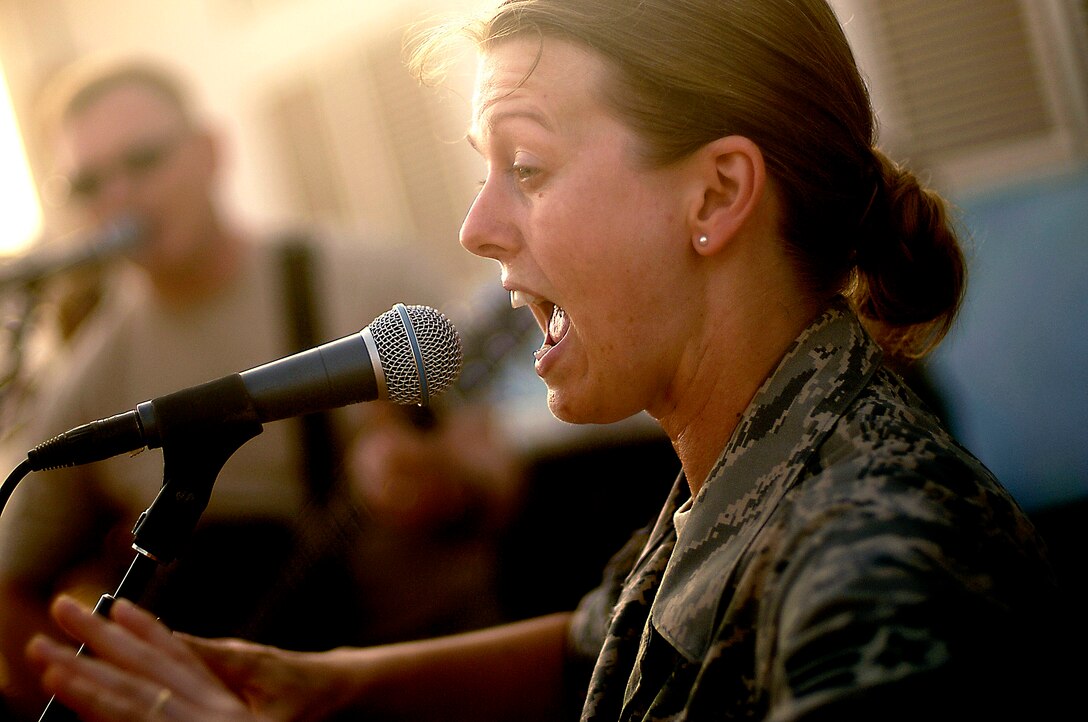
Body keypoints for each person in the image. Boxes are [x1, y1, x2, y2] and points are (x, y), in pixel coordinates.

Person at [21, 0, 1071, 719]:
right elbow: (594, 642)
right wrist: (322, 685)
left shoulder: (874, 571)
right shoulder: (737, 468)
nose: (477, 226)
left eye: (525, 166)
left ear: (714, 197)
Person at [0, 57, 456, 718]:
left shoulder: (368, 280)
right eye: (91, 182)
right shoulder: (90, 378)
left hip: (420, 675)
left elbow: (493, 478)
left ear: (211, 152)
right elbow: (11, 586)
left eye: (144, 160)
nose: (121, 196)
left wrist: (441, 481)